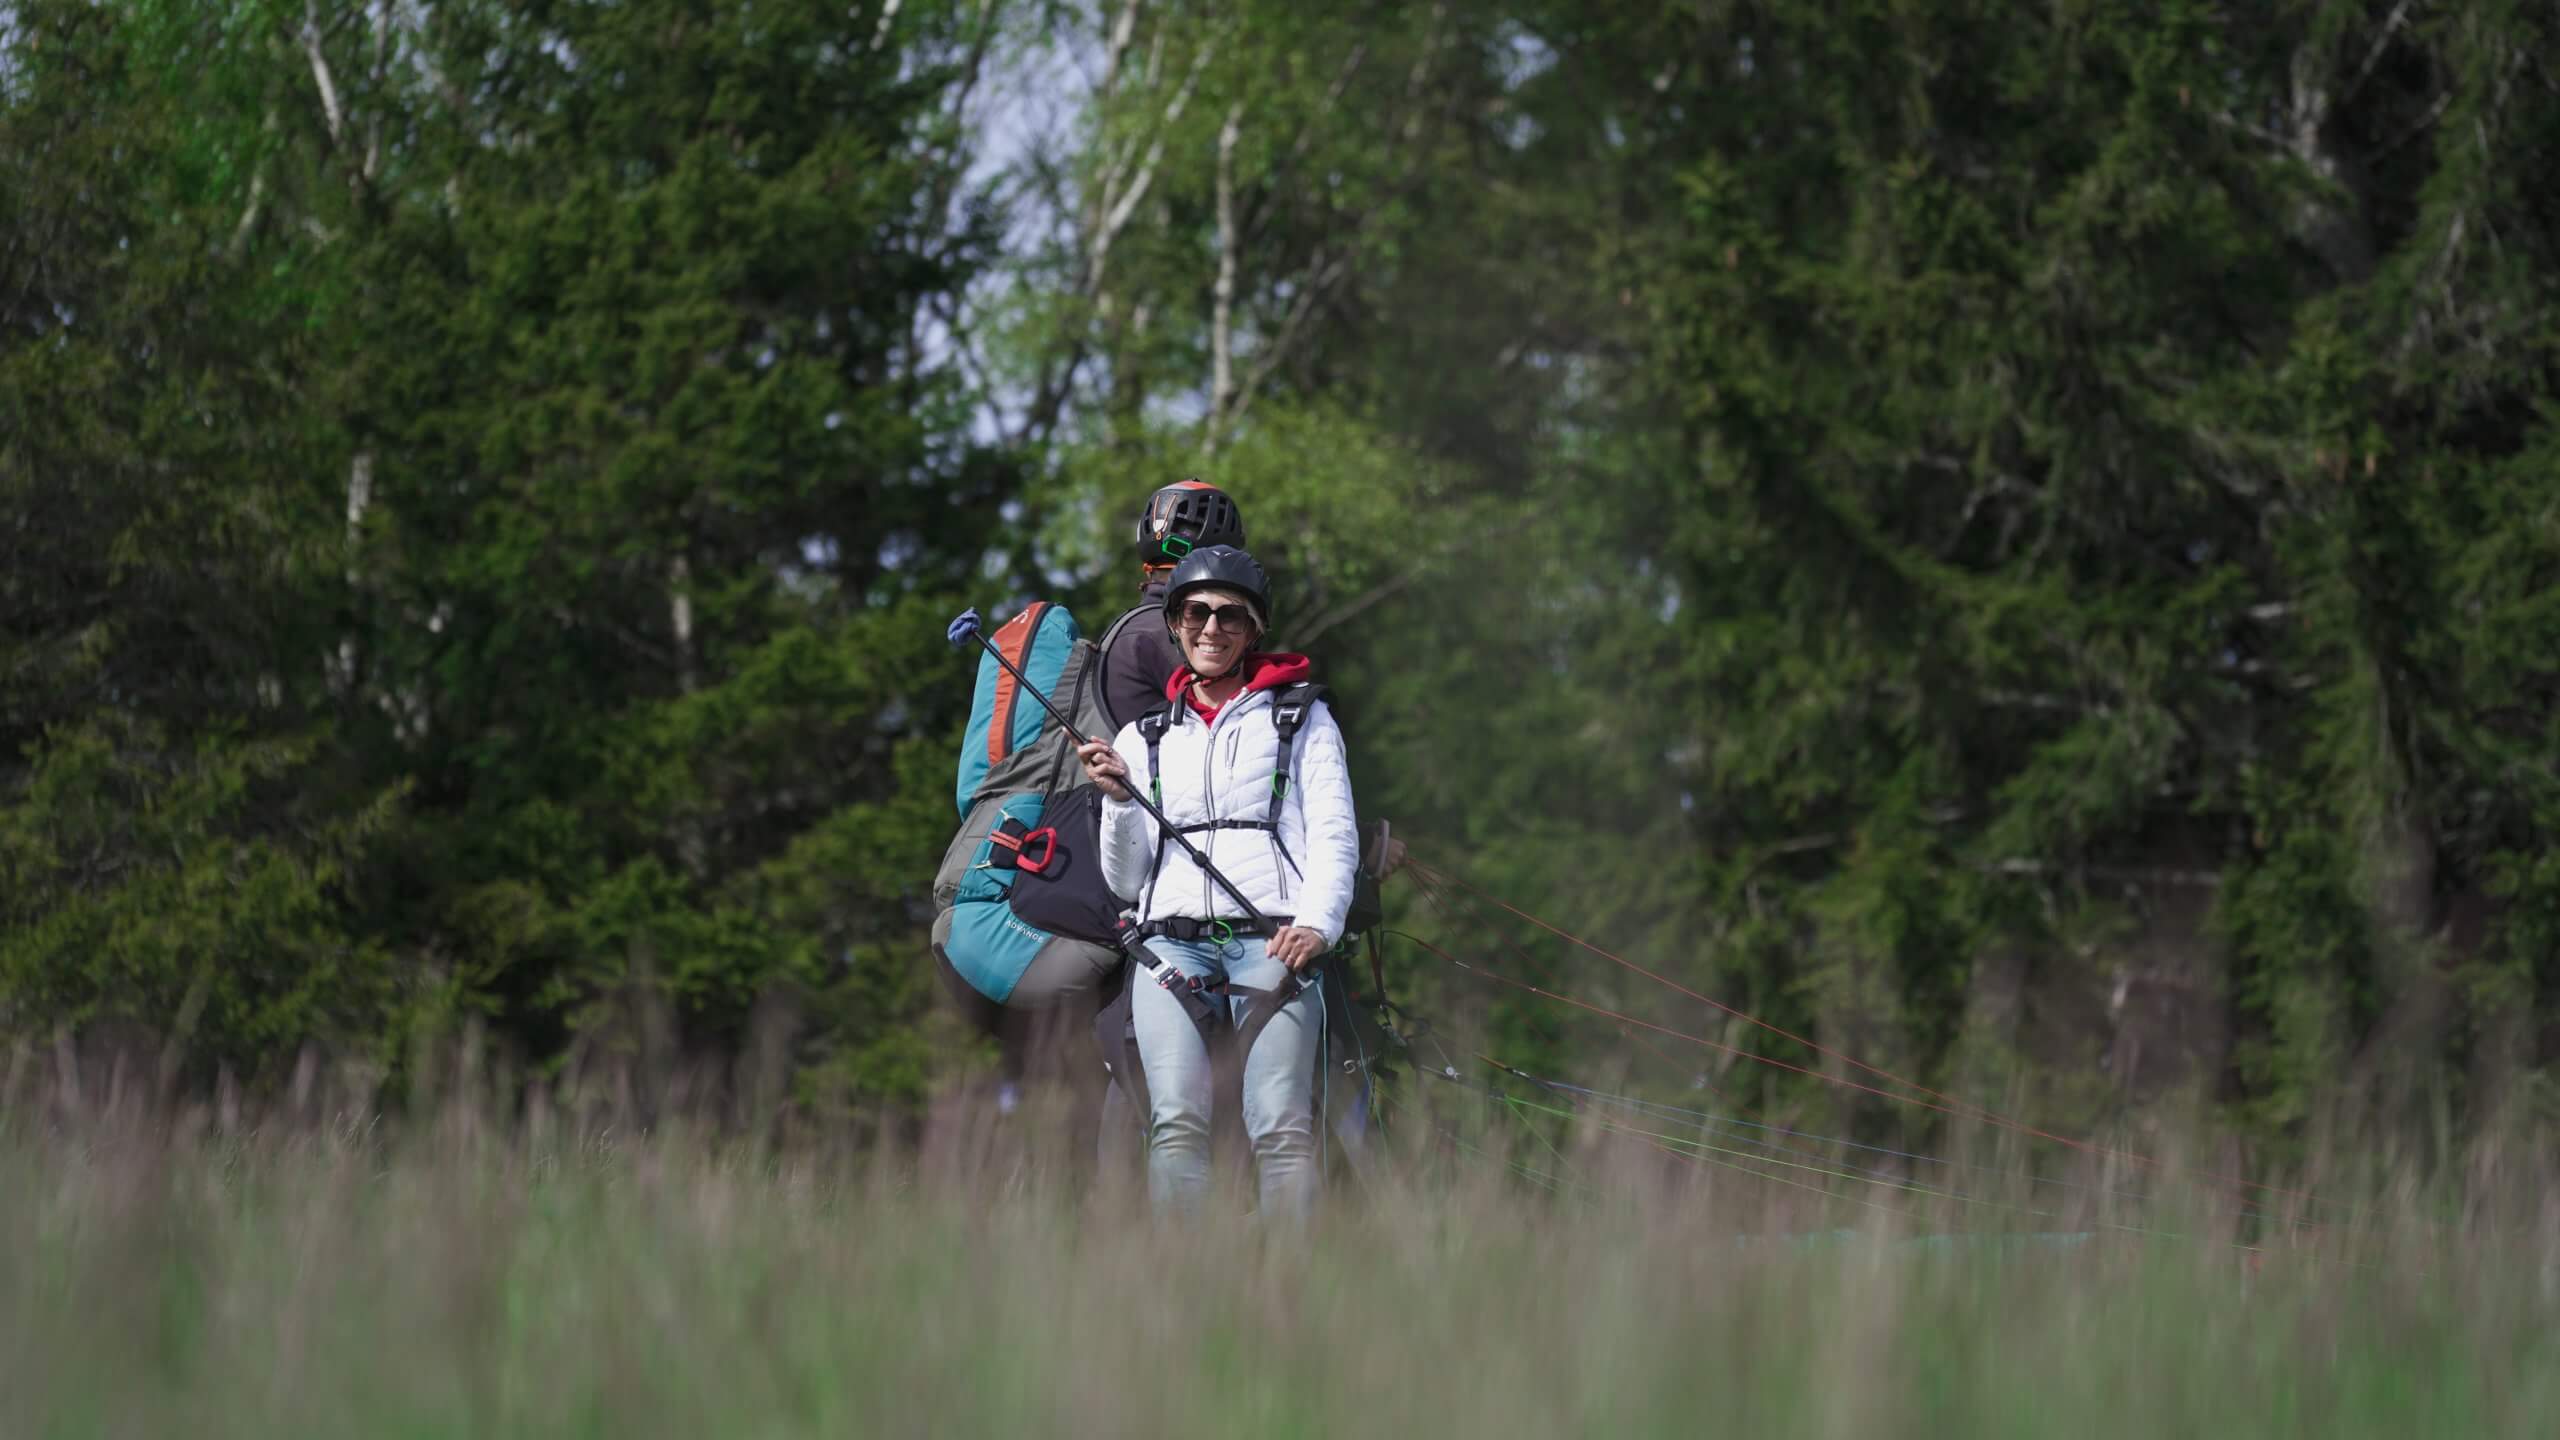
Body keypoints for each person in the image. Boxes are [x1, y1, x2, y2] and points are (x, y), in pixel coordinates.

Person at [1078, 545, 1359, 1223]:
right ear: (1174, 622)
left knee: (1283, 1128)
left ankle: (1284, 1300)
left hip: (1274, 945)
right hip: (1169, 951)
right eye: (1196, 612)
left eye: (1230, 615)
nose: (1212, 628)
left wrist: (1318, 924)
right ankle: (1189, 1295)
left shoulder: (1302, 717)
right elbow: (1126, 879)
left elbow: (1333, 834)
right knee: (1174, 1125)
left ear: (1253, 629)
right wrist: (1118, 801)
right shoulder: (1143, 738)